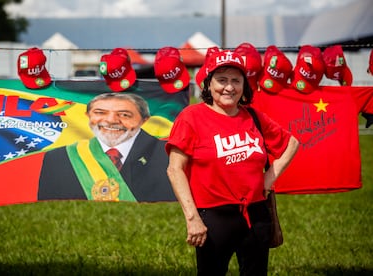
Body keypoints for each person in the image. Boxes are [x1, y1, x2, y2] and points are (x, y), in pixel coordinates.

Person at [166, 50, 299, 276]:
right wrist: (193, 218)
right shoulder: (191, 117)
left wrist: (269, 178)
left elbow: (292, 143)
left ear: (244, 86)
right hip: (214, 218)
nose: (229, 87)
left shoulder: (253, 117)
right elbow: (174, 169)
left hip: (256, 216)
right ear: (208, 84)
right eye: (222, 80)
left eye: (236, 80)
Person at [38, 92, 176, 202]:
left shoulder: (169, 155)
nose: (111, 120)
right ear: (88, 116)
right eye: (100, 113)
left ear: (144, 120)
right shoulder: (57, 159)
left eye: (124, 115)